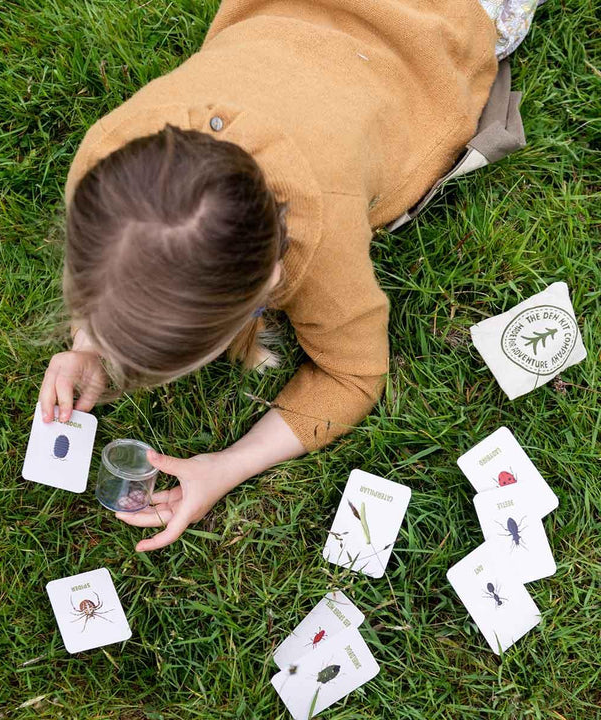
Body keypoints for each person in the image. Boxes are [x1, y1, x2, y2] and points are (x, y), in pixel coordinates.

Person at [39, 0, 540, 551]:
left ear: (271, 281)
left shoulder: (320, 238)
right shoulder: (104, 152)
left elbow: (351, 378)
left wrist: (228, 465)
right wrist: (89, 344)